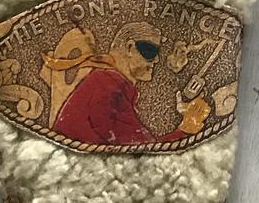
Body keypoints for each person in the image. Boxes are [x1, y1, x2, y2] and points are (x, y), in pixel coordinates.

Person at [44, 23, 191, 145]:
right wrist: (188, 127)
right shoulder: (107, 86)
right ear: (130, 48)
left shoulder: (106, 82)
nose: (156, 60)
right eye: (150, 51)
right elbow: (142, 150)